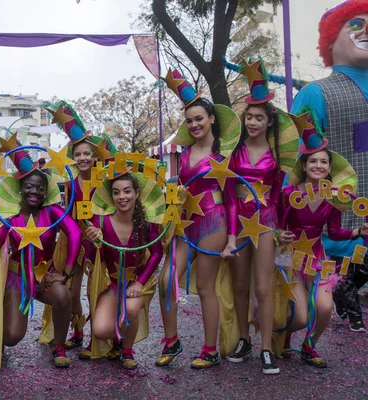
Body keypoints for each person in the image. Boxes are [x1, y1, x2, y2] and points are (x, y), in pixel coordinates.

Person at [291, 0, 368, 332]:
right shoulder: (314, 93)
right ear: (331, 39)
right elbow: (295, 164)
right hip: (334, 225)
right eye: (355, 23)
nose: (366, 29)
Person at [157, 68, 241, 369]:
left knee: (206, 287)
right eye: (189, 120)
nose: (194, 124)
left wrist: (231, 239)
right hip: (184, 222)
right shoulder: (184, 154)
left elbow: (231, 199)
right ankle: (172, 340)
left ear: (211, 120)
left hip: (213, 221)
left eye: (199, 119)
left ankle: (209, 350)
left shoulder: (223, 155)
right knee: (166, 281)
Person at [221, 58, 299, 374]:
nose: (253, 122)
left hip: (264, 222)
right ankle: (244, 339)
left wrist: (280, 229)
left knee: (263, 288)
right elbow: (228, 196)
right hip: (238, 222)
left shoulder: (277, 155)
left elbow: (279, 198)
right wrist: (229, 236)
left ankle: (266, 347)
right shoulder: (233, 152)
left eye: (259, 118)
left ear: (269, 122)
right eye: (249, 117)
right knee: (240, 286)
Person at [277, 108, 368, 368]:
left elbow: (336, 232)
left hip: (318, 259)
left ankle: (309, 346)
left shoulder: (332, 198)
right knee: (300, 316)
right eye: (313, 161)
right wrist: (278, 235)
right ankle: (282, 335)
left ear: (329, 169)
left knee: (325, 308)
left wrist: (357, 233)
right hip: (289, 259)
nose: (319, 166)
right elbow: (275, 225)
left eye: (324, 162)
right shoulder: (288, 194)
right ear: (304, 166)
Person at [0, 138, 81, 370]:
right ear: (20, 189)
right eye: (29, 186)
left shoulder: (52, 211)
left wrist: (65, 273)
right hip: (16, 280)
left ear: (46, 191)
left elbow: (75, 234)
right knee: (12, 337)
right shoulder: (11, 217)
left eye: (39, 187)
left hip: (45, 277)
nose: (34, 191)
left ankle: (59, 346)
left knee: (63, 295)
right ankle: (0, 337)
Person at [43, 100, 115, 359]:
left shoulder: (106, 182)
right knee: (72, 291)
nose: (83, 158)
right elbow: (68, 214)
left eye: (88, 154)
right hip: (74, 241)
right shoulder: (71, 183)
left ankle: (99, 338)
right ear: (73, 158)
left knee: (94, 289)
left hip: (98, 242)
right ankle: (77, 329)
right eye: (78, 154)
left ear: (95, 156)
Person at [85, 169, 164, 370]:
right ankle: (117, 340)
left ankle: (127, 350)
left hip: (137, 283)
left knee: (130, 309)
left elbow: (156, 253)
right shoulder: (101, 221)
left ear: (136, 193)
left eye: (127, 191)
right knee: (101, 330)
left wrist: (140, 282)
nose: (122, 197)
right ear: (111, 196)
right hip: (110, 284)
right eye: (116, 192)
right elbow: (93, 259)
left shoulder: (146, 222)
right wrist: (94, 243)